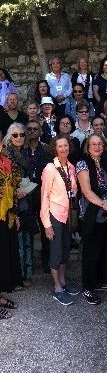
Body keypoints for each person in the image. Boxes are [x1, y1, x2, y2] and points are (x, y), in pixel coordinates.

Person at [77, 134, 107, 305]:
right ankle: (87, 288)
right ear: (88, 147)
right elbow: (87, 191)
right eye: (93, 144)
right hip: (91, 214)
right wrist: (105, 205)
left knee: (105, 249)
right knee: (91, 252)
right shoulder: (83, 164)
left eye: (100, 143)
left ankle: (99, 282)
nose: (97, 146)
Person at [40, 135, 80, 305]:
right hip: (55, 215)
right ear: (55, 149)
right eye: (60, 146)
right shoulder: (50, 168)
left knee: (65, 250)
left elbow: (74, 191)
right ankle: (57, 288)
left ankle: (63, 282)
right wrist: (47, 225)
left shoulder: (71, 167)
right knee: (56, 252)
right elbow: (44, 197)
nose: (64, 149)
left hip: (67, 215)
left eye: (66, 145)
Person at [4, 124, 33, 288]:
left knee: (26, 238)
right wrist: (15, 191)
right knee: (16, 239)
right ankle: (18, 276)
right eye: (15, 135)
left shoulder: (26, 152)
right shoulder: (6, 153)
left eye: (22, 134)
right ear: (10, 137)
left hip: (26, 199)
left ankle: (26, 274)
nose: (19, 137)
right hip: (10, 202)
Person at [0, 129, 22, 310]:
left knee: (3, 256)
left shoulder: (6, 161)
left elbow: (13, 188)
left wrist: (15, 214)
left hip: (5, 216)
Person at [24, 120, 51, 273]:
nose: (32, 131)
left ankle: (47, 262)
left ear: (40, 131)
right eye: (29, 129)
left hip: (42, 193)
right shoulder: (21, 150)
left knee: (45, 227)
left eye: (35, 129)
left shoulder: (46, 150)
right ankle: (28, 264)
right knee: (27, 228)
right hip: (26, 194)